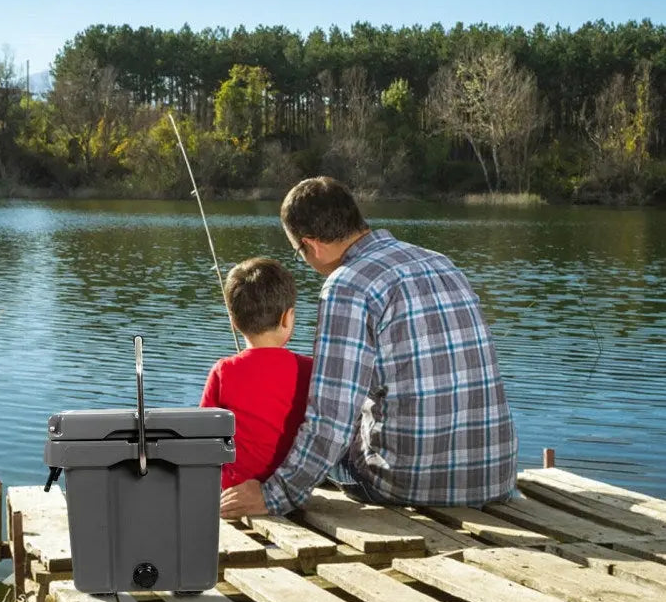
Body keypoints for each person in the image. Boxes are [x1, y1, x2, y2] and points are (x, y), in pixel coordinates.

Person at [220, 176, 518, 517]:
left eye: (299, 253)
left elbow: (330, 420)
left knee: (295, 443)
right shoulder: (441, 262)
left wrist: (274, 495)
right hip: (495, 476)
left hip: (408, 484)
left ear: (311, 245)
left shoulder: (347, 286)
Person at [200, 257, 313, 489]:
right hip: (290, 485)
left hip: (233, 486)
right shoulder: (310, 369)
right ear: (287, 317)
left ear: (233, 321)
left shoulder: (223, 371)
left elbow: (203, 435)